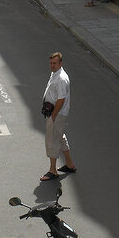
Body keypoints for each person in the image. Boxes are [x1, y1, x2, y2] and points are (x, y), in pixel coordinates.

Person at [40, 51, 76, 181]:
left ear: (60, 63)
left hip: (57, 114)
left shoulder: (61, 78)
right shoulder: (55, 74)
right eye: (50, 63)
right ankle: (70, 164)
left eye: (54, 63)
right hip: (55, 113)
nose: (52, 65)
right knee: (60, 138)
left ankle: (52, 170)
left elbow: (61, 99)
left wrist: (54, 115)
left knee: (52, 141)